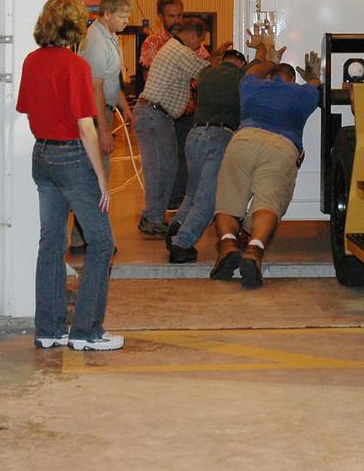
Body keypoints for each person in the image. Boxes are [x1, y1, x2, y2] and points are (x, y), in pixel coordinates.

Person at [16, 0, 122, 351]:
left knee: (52, 244)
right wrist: (102, 180)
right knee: (102, 241)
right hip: (72, 158)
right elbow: (86, 128)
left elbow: (27, 109)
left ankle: (49, 328)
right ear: (76, 26)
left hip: (42, 156)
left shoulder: (32, 61)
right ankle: (87, 331)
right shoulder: (76, 67)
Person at [209, 42, 322, 289]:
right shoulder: (302, 93)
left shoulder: (252, 86)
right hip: (281, 148)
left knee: (229, 200)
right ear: (292, 79)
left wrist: (269, 60)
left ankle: (227, 245)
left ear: (271, 76)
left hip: (244, 140)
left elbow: (251, 72)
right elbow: (315, 85)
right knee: (267, 204)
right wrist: (312, 75)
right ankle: (254, 251)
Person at [165, 48, 249, 263]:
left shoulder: (205, 73)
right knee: (208, 199)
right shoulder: (242, 75)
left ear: (222, 60)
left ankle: (177, 227)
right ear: (240, 63)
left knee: (192, 192)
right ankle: (181, 243)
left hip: (195, 135)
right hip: (220, 136)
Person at [133, 16, 211, 236]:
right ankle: (152, 218)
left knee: (166, 167)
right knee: (160, 169)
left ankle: (153, 216)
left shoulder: (173, 48)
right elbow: (207, 72)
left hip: (157, 115)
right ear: (193, 35)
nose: (200, 47)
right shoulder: (181, 52)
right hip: (154, 115)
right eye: (200, 42)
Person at [73, 0, 134, 251]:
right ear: (107, 14)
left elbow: (111, 82)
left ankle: (85, 236)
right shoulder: (96, 42)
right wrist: (104, 130)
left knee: (97, 179)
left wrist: (125, 107)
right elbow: (95, 88)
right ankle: (93, 238)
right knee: (96, 178)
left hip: (106, 109)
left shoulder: (111, 38)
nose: (126, 21)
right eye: (121, 16)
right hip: (96, 117)